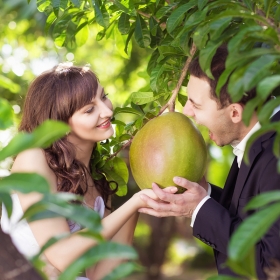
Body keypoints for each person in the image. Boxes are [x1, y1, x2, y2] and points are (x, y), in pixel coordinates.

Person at [1, 63, 159, 280]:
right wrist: (134, 203)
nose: (107, 111)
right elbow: (61, 255)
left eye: (104, 97)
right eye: (89, 109)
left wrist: (143, 203)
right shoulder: (34, 158)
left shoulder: (96, 179)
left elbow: (102, 274)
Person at [138, 46, 280, 278]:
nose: (187, 111)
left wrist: (199, 209)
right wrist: (204, 194)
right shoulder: (258, 138)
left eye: (197, 104)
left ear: (235, 113)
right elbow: (251, 219)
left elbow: (270, 267)